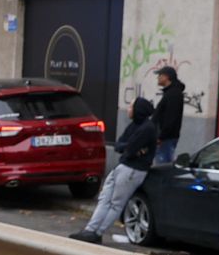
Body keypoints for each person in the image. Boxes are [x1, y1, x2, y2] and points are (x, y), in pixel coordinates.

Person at [71, 96, 158, 244]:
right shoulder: (134, 125)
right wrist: (130, 148)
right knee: (104, 199)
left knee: (116, 203)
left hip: (132, 170)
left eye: (131, 107)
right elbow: (120, 146)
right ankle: (89, 230)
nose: (128, 109)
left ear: (139, 110)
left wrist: (130, 148)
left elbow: (129, 149)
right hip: (122, 166)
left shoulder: (147, 128)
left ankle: (98, 232)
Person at [151, 65, 185, 167]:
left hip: (166, 139)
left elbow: (171, 118)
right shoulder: (170, 92)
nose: (158, 78)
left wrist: (161, 137)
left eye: (160, 75)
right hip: (165, 138)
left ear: (166, 77)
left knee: (163, 167)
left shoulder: (173, 94)